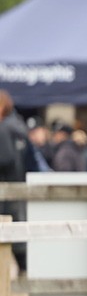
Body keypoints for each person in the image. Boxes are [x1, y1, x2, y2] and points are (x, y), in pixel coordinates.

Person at [0, 91, 29, 270]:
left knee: (10, 232)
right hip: (21, 187)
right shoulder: (18, 126)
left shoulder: (4, 128)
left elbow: (5, 159)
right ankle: (24, 273)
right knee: (18, 232)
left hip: (7, 189)